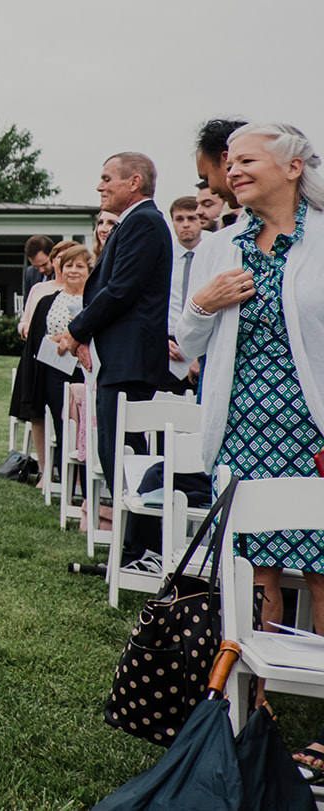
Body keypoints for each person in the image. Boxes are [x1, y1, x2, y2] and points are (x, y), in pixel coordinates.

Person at [176, 123, 324, 680]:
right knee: (253, 568)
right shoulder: (219, 246)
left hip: (314, 430)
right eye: (229, 162)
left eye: (246, 161)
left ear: (292, 168)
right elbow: (187, 344)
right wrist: (203, 303)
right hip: (241, 427)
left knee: (320, 568)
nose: (231, 170)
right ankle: (255, 703)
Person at [56, 153, 174, 560]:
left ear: (134, 182)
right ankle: (132, 547)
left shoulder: (143, 222)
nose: (100, 186)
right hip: (120, 357)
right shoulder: (138, 222)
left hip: (129, 360)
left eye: (107, 178)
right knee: (114, 454)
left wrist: (76, 331)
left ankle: (143, 551)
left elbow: (121, 290)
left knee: (125, 456)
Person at [9, 240, 81, 473]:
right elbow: (25, 318)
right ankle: (44, 469)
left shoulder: (82, 291)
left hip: (71, 359)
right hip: (39, 354)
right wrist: (24, 328)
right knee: (36, 410)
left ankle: (71, 470)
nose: (56, 265)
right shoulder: (39, 288)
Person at [166, 195, 203, 391]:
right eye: (179, 219)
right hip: (168, 342)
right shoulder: (163, 256)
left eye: (191, 218)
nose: (185, 225)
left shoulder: (211, 253)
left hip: (202, 337)